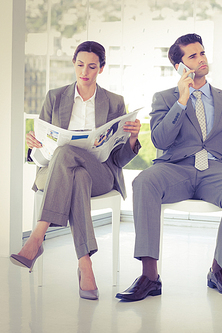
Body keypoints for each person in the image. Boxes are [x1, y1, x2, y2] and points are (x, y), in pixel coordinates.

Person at [116, 33, 222, 301]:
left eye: (202, 53)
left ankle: (219, 269)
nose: (201, 59)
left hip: (217, 171)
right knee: (144, 181)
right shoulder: (164, 99)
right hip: (175, 168)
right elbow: (159, 140)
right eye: (193, 56)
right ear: (179, 66)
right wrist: (182, 100)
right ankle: (149, 275)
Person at [10, 41, 141, 300]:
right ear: (73, 64)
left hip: (100, 173)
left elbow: (119, 159)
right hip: (56, 170)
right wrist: (34, 145)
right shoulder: (54, 97)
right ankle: (85, 264)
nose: (85, 71)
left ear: (101, 68)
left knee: (69, 156)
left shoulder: (115, 102)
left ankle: (38, 235)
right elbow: (42, 154)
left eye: (92, 66)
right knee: (72, 168)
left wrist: (133, 141)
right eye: (80, 65)